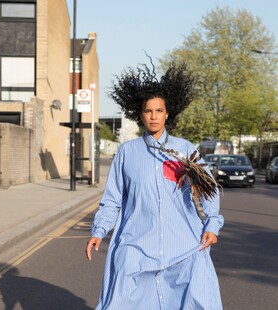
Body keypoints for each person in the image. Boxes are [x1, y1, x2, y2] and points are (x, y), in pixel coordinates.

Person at [85, 62, 224, 310]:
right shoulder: (127, 152)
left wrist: (212, 224)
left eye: (159, 110)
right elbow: (113, 199)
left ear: (168, 113)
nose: (154, 116)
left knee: (194, 302)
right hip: (137, 244)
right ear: (140, 115)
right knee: (123, 299)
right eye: (148, 111)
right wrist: (99, 230)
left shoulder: (185, 150)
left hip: (183, 245)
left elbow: (208, 190)